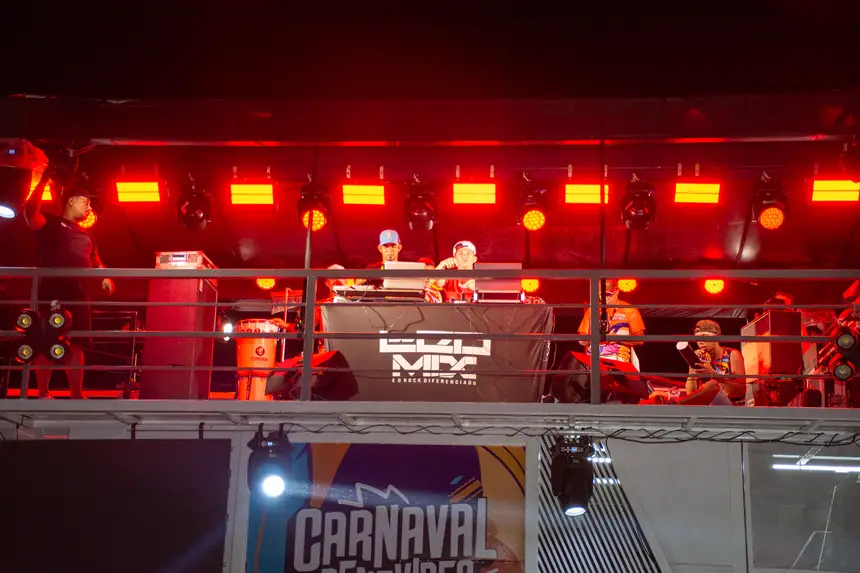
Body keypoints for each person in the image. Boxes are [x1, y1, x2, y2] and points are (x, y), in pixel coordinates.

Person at [23, 168, 114, 399]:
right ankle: (43, 394)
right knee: (45, 340)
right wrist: (44, 179)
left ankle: (76, 394)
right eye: (86, 202)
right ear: (71, 201)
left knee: (77, 343)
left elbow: (96, 261)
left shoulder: (88, 235)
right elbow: (30, 213)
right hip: (51, 289)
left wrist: (105, 276)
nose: (89, 207)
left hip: (78, 293)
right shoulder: (51, 223)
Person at [577, 278, 645, 364]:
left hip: (617, 359)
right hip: (593, 358)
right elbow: (582, 340)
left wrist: (617, 338)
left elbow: (640, 340)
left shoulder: (629, 309)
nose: (605, 298)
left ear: (617, 291)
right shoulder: (592, 310)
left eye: (608, 294)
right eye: (602, 295)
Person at [685, 319, 746, 405]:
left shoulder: (732, 354)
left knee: (712, 385)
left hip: (731, 406)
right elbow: (691, 394)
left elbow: (741, 390)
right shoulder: (702, 358)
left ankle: (675, 406)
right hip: (709, 408)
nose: (700, 342)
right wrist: (692, 366)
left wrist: (712, 374)